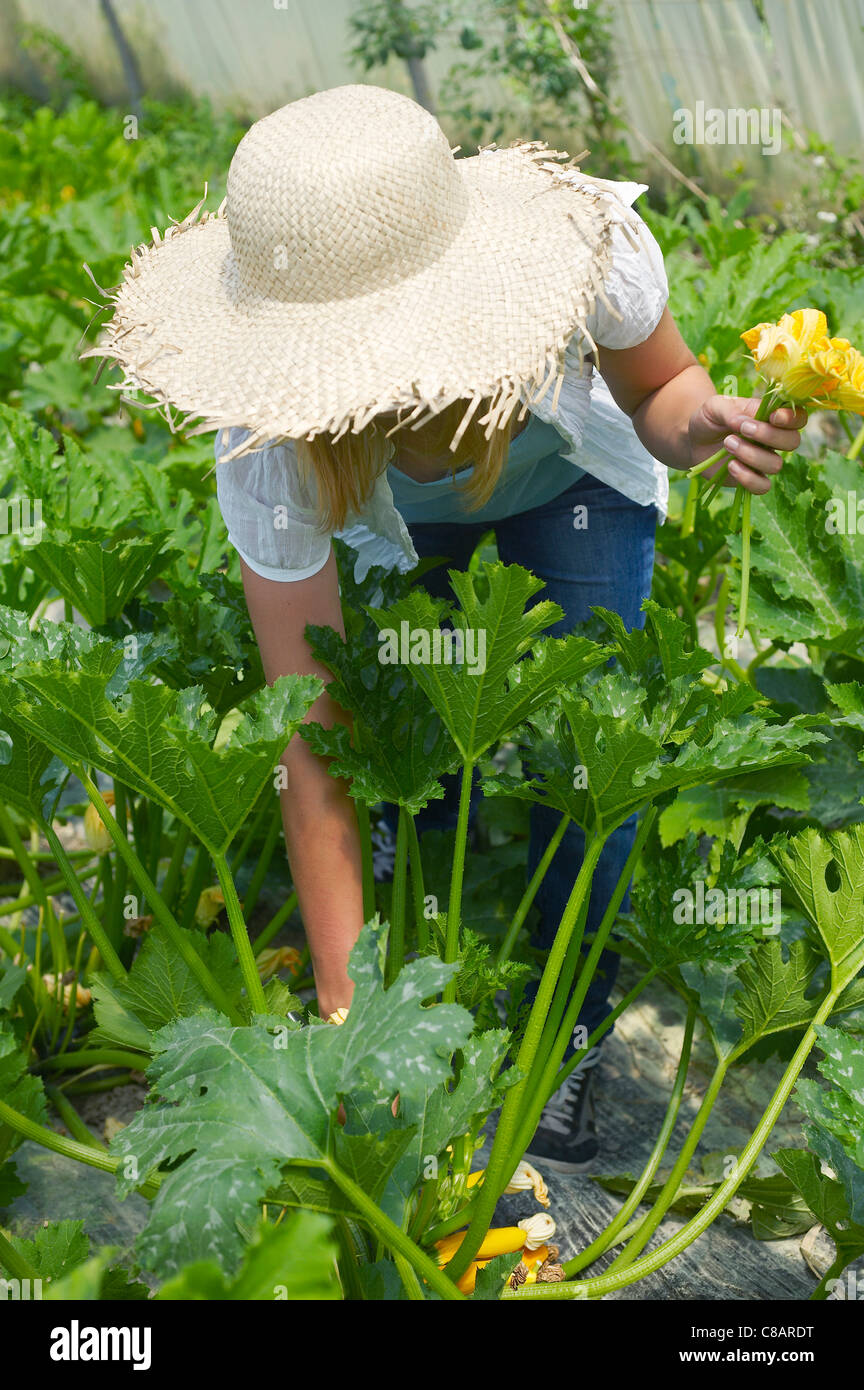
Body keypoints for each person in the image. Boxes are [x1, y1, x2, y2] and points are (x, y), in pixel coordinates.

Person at [87, 84, 804, 1172]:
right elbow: (311, 737)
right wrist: (347, 1021)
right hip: (396, 530)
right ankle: (401, 947)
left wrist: (700, 427)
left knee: (590, 766)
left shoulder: (586, 256)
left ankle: (565, 1033)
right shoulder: (271, 446)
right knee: (414, 755)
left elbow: (663, 395)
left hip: (575, 495)